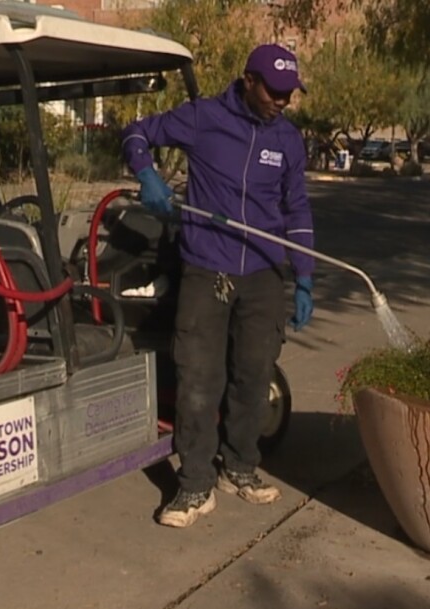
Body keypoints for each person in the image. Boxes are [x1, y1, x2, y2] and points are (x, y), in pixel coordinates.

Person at [121, 43, 316, 528]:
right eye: (275, 91)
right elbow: (137, 132)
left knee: (254, 376)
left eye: (291, 94)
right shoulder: (203, 118)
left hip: (266, 273)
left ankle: (241, 468)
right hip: (208, 266)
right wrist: (147, 173)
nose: (283, 102)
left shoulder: (289, 140)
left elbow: (298, 210)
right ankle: (194, 486)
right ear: (248, 80)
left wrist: (305, 276)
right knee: (198, 380)